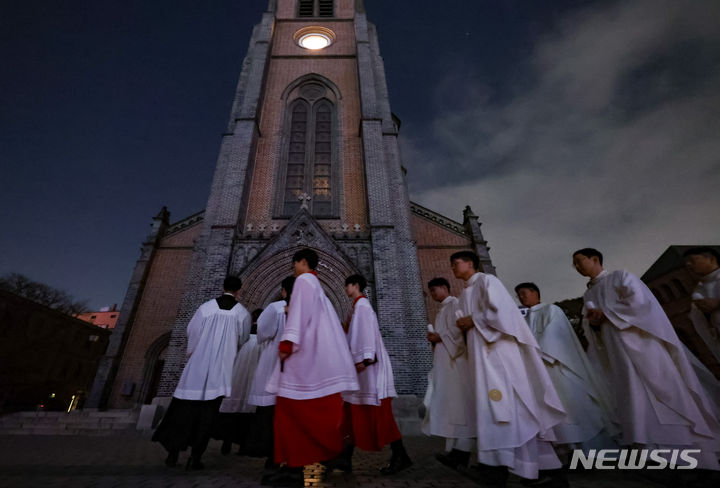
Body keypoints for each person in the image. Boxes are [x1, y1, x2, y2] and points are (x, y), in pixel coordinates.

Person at [572, 248, 720, 470]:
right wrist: (593, 324)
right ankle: (653, 454)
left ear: (595, 259)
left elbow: (640, 304)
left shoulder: (621, 277)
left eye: (579, 261)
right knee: (633, 396)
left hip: (643, 347)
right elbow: (590, 325)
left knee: (664, 393)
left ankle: (694, 455)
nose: (576, 267)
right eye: (574, 264)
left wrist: (607, 313)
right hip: (617, 353)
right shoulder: (588, 294)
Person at [451, 251, 566, 486]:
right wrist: (463, 327)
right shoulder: (463, 294)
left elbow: (502, 312)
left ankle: (532, 469)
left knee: (510, 406)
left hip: (498, 355)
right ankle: (503, 467)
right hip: (480, 358)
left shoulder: (487, 281)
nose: (453, 268)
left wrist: (473, 320)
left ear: (470, 263)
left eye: (456, 263)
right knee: (493, 409)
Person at [264, 249, 359, 486]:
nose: (293, 267)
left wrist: (287, 342)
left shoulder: (304, 281)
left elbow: (299, 314)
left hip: (301, 356)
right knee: (295, 412)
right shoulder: (317, 286)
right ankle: (295, 465)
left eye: (294, 263)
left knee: (292, 412)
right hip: (310, 356)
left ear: (303, 262)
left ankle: (298, 467)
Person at [152, 276, 251, 470]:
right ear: (239, 290)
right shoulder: (242, 314)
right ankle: (195, 458)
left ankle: (173, 455)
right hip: (219, 372)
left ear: (223, 288)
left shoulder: (206, 308)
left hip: (197, 369)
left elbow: (193, 332)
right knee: (208, 418)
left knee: (183, 414)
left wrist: (195, 354)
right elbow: (243, 340)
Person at [514, 282, 618, 460]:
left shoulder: (551, 310)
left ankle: (593, 454)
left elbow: (553, 336)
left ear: (535, 293)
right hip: (539, 371)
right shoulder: (524, 318)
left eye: (524, 293)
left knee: (572, 407)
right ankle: (566, 452)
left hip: (556, 366)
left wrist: (539, 354)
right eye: (518, 295)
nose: (521, 298)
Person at [338, 274, 412, 474]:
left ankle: (400, 455)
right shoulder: (357, 307)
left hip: (369, 368)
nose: (345, 289)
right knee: (352, 410)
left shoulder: (362, 306)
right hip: (362, 367)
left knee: (379, 413)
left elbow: (367, 333)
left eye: (347, 286)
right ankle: (344, 457)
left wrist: (366, 358)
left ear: (355, 285)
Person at [422, 277, 475, 470]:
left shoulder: (455, 304)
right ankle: (455, 451)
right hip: (446, 362)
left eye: (434, 290)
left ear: (444, 288)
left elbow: (458, 333)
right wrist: (436, 339)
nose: (433, 295)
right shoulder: (443, 309)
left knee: (460, 406)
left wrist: (440, 336)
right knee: (453, 407)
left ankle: (462, 452)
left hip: (456, 364)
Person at [247, 276, 295, 481]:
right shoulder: (310, 309)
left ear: (283, 291)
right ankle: (292, 460)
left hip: (272, 366)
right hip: (295, 372)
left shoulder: (275, 308)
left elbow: (262, 334)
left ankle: (272, 461)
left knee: (269, 416)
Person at [213, 308, 263, 456]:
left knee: (234, 406)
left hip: (239, 372)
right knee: (249, 409)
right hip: (254, 371)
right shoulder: (262, 337)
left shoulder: (246, 335)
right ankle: (244, 445)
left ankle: (227, 442)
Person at [684, 247, 720, 362]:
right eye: (687, 262)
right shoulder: (698, 290)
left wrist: (718, 302)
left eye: (693, 259)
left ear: (711, 259)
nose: (689, 264)